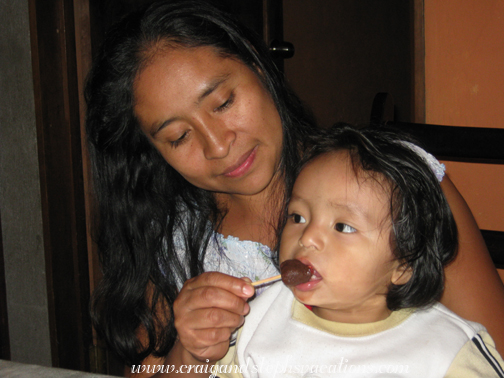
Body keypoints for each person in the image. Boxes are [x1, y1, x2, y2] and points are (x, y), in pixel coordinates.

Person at [84, 0, 504, 376]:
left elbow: (495, 349)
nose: (218, 145)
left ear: (258, 64)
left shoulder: (391, 185)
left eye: (224, 103)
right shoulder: (173, 241)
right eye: (178, 137)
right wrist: (188, 353)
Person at [215, 125, 504, 378]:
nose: (308, 237)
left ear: (403, 266)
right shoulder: (256, 322)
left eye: (342, 226)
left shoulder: (447, 351)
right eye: (297, 217)